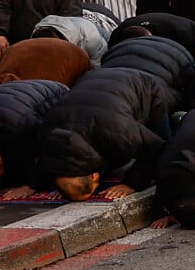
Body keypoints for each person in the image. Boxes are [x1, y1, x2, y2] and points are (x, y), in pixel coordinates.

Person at [34, 66, 173, 201]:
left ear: (95, 176)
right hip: (93, 78)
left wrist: (131, 184)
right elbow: (52, 160)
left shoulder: (120, 131)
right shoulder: (49, 134)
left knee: (166, 156)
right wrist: (37, 186)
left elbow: (156, 146)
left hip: (143, 85)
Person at [0, 79, 71, 198]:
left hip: (58, 96)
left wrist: (32, 186)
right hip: (11, 99)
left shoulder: (21, 124)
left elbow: (50, 147)